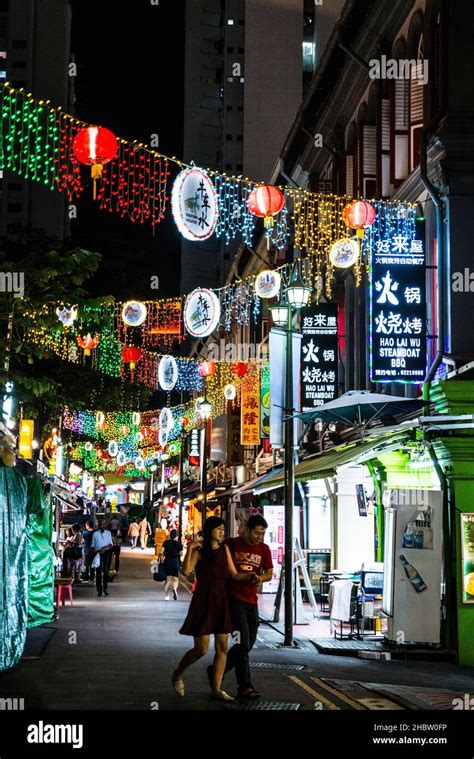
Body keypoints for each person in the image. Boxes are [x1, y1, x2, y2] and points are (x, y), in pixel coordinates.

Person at [172, 516, 257, 702]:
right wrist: (189, 549)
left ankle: (216, 690)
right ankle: (178, 674)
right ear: (209, 529)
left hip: (221, 600)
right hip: (203, 600)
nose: (221, 532)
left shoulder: (224, 549)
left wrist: (249, 577)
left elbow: (234, 574)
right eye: (218, 528)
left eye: (223, 529)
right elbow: (186, 571)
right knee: (201, 649)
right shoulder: (200, 550)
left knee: (222, 647)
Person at [220, 515, 274, 700]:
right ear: (248, 529)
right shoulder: (231, 544)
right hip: (234, 600)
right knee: (241, 643)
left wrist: (260, 578)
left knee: (247, 645)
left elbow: (269, 573)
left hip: (252, 602)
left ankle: (217, 671)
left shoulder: (264, 549)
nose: (260, 537)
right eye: (257, 533)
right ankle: (245, 686)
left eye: (263, 534)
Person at [91, 518, 113, 597]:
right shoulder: (95, 534)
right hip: (98, 554)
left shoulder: (108, 533)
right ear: (99, 525)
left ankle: (105, 588)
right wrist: (97, 551)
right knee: (98, 572)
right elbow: (93, 545)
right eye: (101, 524)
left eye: (104, 524)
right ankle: (99, 589)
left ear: (105, 525)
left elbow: (111, 544)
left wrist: (104, 548)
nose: (102, 526)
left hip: (106, 553)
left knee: (106, 571)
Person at [161, 529, 183, 601]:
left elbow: (161, 552)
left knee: (167, 580)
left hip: (167, 562)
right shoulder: (178, 544)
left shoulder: (166, 542)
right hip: (175, 562)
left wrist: (162, 558)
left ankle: (167, 596)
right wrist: (177, 553)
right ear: (176, 536)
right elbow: (181, 554)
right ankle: (174, 589)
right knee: (175, 579)